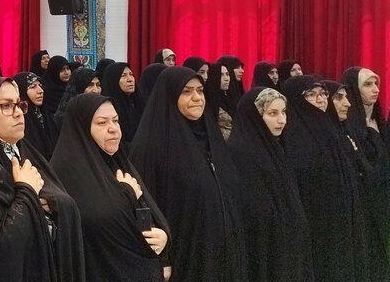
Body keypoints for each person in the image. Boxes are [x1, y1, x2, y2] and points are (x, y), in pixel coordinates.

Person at [0, 75, 84, 282]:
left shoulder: (24, 152)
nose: (19, 113)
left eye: (19, 104)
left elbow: (63, 202)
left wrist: (52, 205)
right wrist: (28, 193)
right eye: (6, 106)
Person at [129, 66, 246, 282]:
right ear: (170, 96)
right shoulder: (151, 146)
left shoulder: (212, 138)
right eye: (186, 92)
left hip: (223, 255)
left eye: (200, 91)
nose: (197, 98)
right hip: (183, 258)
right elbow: (143, 207)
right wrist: (163, 260)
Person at [51, 93, 169, 282]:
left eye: (115, 120)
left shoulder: (116, 161)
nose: (113, 129)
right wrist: (127, 194)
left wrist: (161, 236)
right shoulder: (67, 169)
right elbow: (97, 220)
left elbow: (146, 208)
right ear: (82, 128)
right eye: (102, 123)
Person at [280, 75, 367, 281]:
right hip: (314, 225)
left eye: (323, 94)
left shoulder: (332, 129)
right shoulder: (290, 137)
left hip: (340, 220)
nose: (320, 100)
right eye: (311, 94)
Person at [225, 87, 314, 282]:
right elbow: (249, 208)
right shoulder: (238, 152)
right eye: (272, 113)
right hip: (262, 246)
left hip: (286, 244)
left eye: (283, 112)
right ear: (254, 116)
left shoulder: (276, 147)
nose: (282, 120)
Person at [342, 67, 390, 282]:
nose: (375, 89)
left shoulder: (379, 121)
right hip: (363, 201)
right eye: (368, 85)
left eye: (376, 84)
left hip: (383, 198)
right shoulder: (348, 125)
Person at [14, 71, 56, 157]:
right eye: (33, 87)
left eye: (40, 86)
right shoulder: (18, 120)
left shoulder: (43, 114)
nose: (40, 91)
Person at [100, 62, 143, 146]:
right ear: (113, 80)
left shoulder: (138, 104)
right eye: (123, 76)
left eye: (131, 75)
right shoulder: (107, 108)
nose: (130, 79)